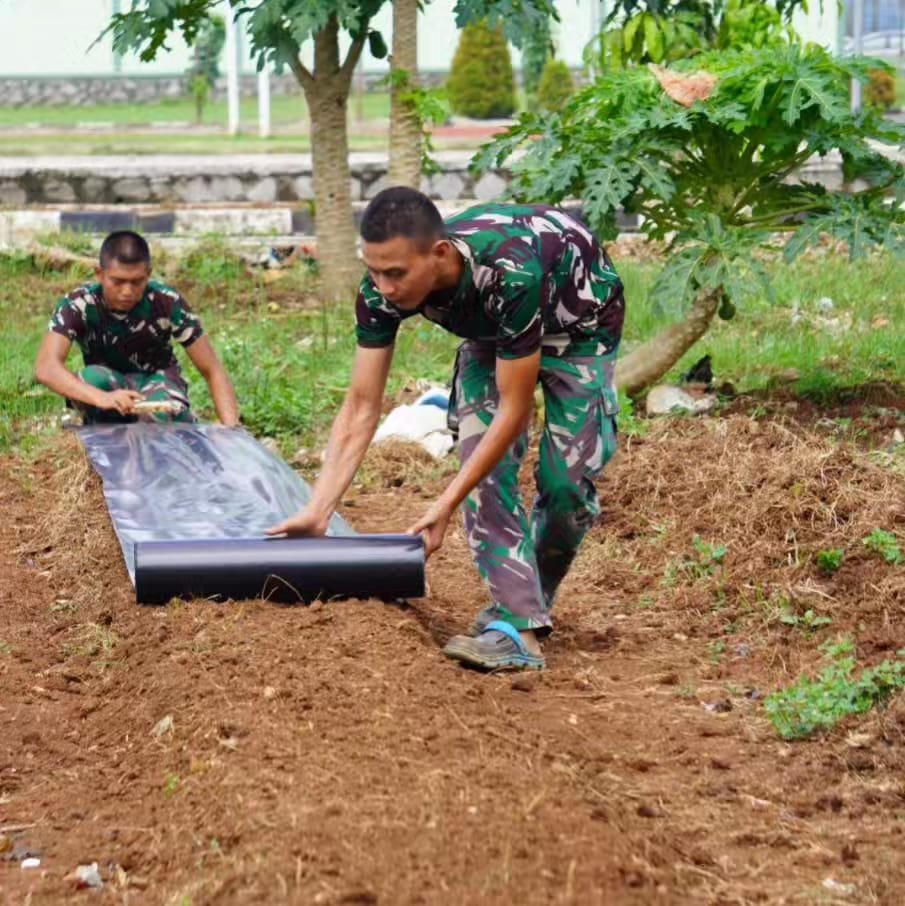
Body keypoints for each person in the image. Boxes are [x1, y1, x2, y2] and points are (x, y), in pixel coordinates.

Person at [268, 188, 625, 671]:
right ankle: (520, 628)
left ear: (439, 254)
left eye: (396, 273)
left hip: (580, 323)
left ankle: (524, 603)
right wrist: (319, 509)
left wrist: (443, 504)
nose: (384, 287)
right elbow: (360, 405)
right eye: (374, 270)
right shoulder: (379, 290)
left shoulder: (509, 272)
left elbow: (514, 409)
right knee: (486, 471)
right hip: (490, 334)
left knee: (567, 489)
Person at [34, 230, 239, 427]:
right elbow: (46, 367)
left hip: (157, 382)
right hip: (108, 386)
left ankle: (176, 429)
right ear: (100, 274)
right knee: (90, 378)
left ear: (148, 275)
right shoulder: (79, 304)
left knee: (159, 416)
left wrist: (232, 430)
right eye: (118, 281)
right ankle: (102, 430)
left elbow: (212, 369)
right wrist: (102, 398)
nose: (127, 291)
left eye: (137, 282)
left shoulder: (166, 301)